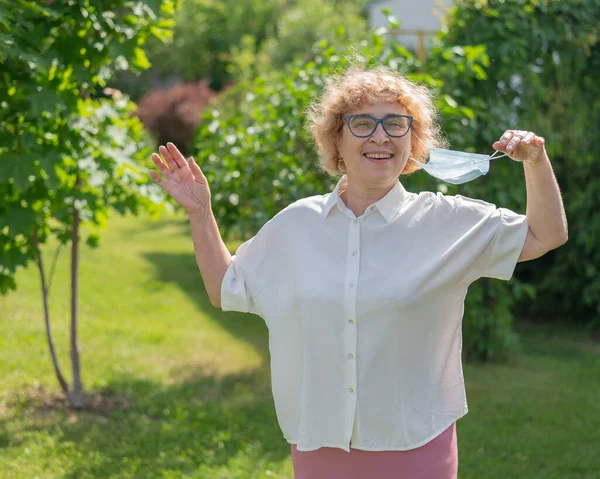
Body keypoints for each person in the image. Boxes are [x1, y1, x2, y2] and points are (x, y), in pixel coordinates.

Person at [149, 67, 568, 479]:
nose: (381, 136)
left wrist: (535, 161)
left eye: (396, 124)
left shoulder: (447, 222)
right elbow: (227, 288)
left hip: (415, 447)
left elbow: (544, 235)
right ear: (337, 139)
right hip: (320, 444)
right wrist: (201, 214)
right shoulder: (296, 225)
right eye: (363, 123)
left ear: (413, 140)